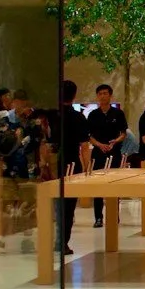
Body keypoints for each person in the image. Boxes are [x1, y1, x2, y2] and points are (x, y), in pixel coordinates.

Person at [52, 79, 87, 257]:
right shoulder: (79, 117)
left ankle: (54, 238)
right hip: (72, 163)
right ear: (74, 96)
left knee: (54, 203)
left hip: (54, 162)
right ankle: (63, 242)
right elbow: (84, 145)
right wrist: (88, 168)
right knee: (68, 205)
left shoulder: (52, 116)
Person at [86, 83, 129, 169]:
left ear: (110, 96)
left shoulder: (118, 113)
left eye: (105, 93)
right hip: (98, 153)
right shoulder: (92, 114)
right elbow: (89, 136)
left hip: (115, 152)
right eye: (100, 94)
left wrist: (115, 141)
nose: (102, 96)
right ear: (97, 96)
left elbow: (123, 133)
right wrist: (99, 145)